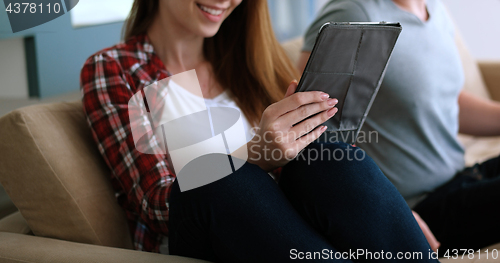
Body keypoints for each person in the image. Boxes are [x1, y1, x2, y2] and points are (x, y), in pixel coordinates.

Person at [80, 0, 438, 262]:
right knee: (226, 182)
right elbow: (156, 205)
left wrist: (389, 210)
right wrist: (259, 154)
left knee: (328, 154)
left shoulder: (251, 60)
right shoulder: (115, 68)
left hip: (285, 234)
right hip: (202, 232)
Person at [299, 0, 500, 256]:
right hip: (419, 209)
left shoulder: (434, 9)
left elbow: (443, 101)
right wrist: (389, 213)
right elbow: (310, 126)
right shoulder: (356, 12)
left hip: (464, 176)